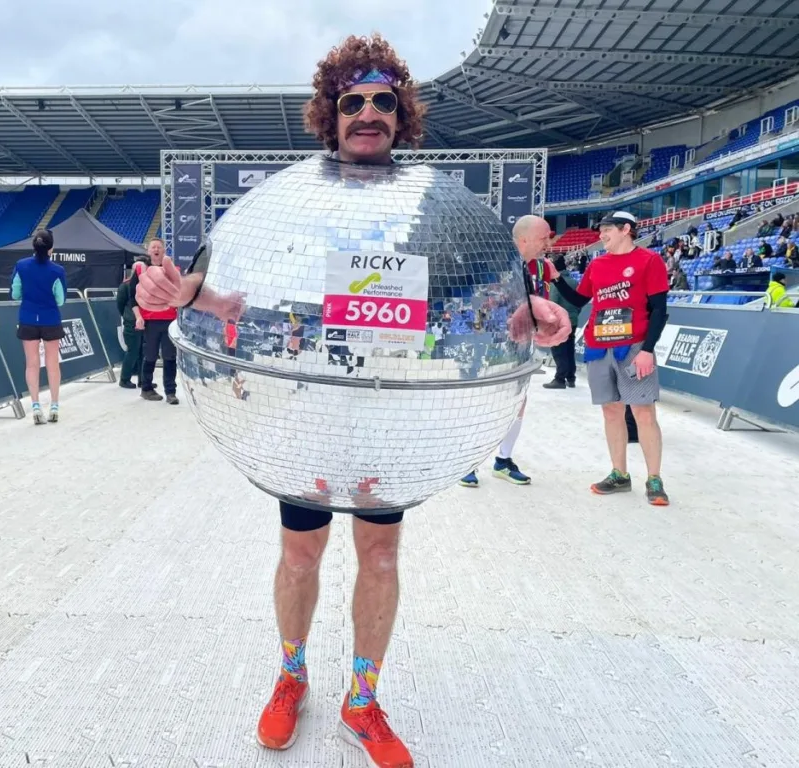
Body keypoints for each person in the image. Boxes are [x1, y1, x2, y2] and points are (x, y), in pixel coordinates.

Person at [132, 34, 569, 768]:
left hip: (390, 426)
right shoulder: (299, 212)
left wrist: (540, 324)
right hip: (310, 419)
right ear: (329, 116)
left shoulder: (429, 214)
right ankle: (291, 676)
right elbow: (245, 305)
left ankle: (362, 699)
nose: (368, 113)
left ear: (403, 115)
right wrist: (191, 294)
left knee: (382, 556)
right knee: (299, 555)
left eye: (383, 101)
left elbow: (482, 314)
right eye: (352, 102)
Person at [550, 211, 671, 506]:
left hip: (633, 347)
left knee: (643, 413)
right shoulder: (598, 264)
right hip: (599, 346)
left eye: (606, 230)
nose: (600, 236)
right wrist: (557, 278)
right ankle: (619, 474)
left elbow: (659, 310)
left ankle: (654, 478)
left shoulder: (649, 261)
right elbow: (580, 300)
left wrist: (647, 350)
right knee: (611, 412)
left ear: (625, 229)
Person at [461, 213, 558, 488]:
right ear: (524, 239)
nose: (547, 245)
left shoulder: (534, 268)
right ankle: (468, 464)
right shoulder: (493, 263)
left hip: (519, 347)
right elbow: (475, 305)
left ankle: (503, 460)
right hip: (487, 346)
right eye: (543, 238)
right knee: (479, 403)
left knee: (518, 403)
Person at [10, 229, 67, 424]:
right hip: (50, 318)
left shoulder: (21, 266)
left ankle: (35, 406)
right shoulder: (57, 270)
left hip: (27, 318)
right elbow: (60, 300)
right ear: (51, 248)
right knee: (52, 363)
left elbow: (15, 294)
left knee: (32, 364)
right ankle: (54, 405)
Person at [128, 238, 179, 405]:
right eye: (153, 247)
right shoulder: (140, 271)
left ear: (164, 251)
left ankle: (170, 392)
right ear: (148, 251)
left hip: (170, 320)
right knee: (149, 356)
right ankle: (146, 388)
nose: (156, 249)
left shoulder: (173, 270)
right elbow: (132, 298)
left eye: (159, 247)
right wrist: (138, 317)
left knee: (170, 357)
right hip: (150, 321)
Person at [543, 253, 581, 389]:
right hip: (574, 320)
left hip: (559, 323)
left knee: (559, 349)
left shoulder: (556, 284)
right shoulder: (575, 282)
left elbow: (552, 304)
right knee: (569, 349)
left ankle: (560, 379)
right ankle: (571, 378)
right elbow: (579, 302)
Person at [116, 260, 145, 388]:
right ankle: (124, 379)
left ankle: (142, 379)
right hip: (131, 322)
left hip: (144, 321)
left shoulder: (145, 285)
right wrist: (128, 316)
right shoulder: (125, 286)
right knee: (133, 351)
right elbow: (120, 304)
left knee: (143, 352)